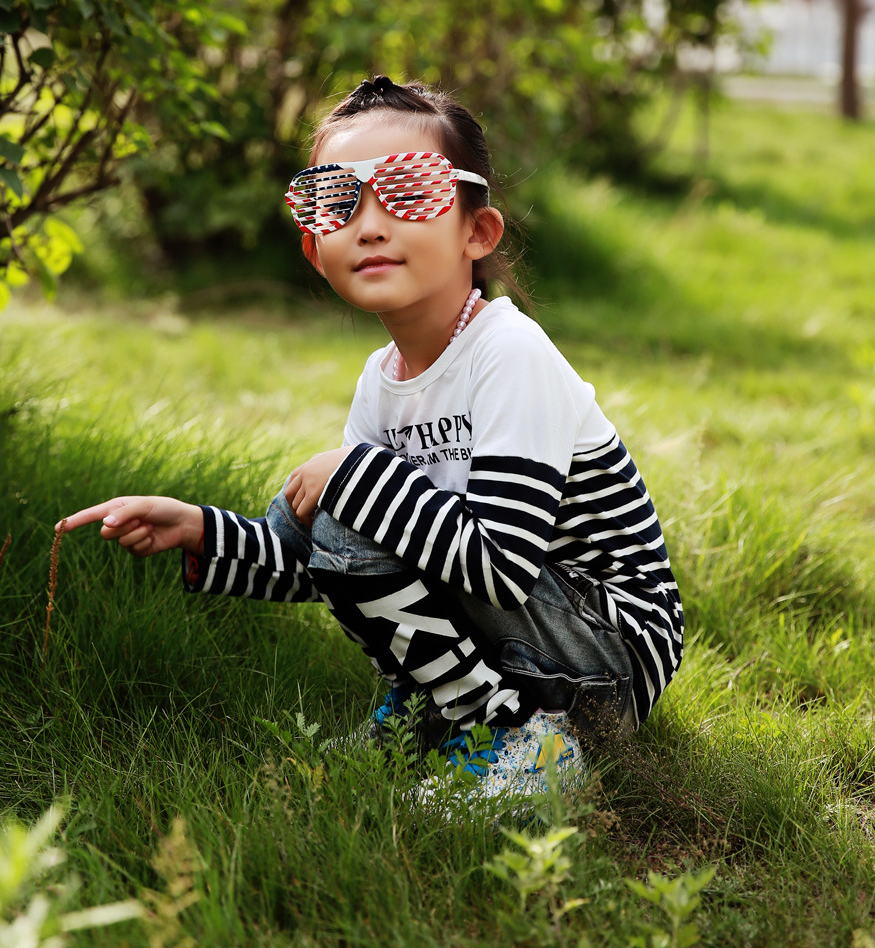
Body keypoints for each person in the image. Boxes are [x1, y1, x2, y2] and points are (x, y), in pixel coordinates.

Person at [63, 75, 683, 802]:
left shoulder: (508, 352)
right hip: (524, 638)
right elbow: (333, 561)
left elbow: (504, 567)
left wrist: (356, 475)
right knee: (348, 518)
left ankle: (514, 738)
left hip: (608, 651)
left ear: (476, 232)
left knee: (354, 499)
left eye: (409, 191)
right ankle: (439, 714)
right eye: (336, 202)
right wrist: (200, 530)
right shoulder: (380, 381)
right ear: (313, 249)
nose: (371, 223)